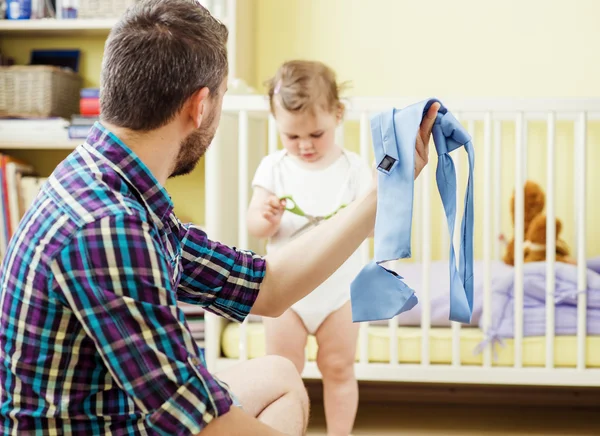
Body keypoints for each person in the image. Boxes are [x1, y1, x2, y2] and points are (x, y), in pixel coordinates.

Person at [0, 1, 439, 435]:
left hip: (110, 408)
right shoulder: (109, 226)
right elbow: (201, 421)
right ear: (201, 106)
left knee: (281, 377)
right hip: (98, 425)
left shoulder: (110, 180)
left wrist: (385, 192)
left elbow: (265, 286)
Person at [247, 60, 370, 436]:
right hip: (285, 293)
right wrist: (265, 218)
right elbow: (254, 225)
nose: (304, 145)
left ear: (338, 114)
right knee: (282, 370)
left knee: (339, 368)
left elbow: (369, 221)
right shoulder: (274, 168)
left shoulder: (354, 170)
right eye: (291, 136)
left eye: (316, 134)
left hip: (341, 292)